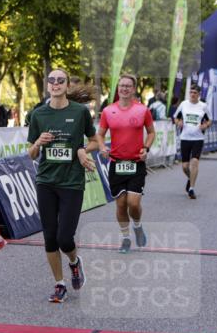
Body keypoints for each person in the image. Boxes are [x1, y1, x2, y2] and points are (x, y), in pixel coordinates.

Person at [27, 69, 99, 303]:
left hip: (71, 182)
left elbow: (96, 142)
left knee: (65, 238)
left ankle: (74, 262)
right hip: (46, 181)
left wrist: (82, 150)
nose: (55, 84)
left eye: (60, 80)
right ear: (47, 86)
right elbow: (31, 154)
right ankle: (59, 284)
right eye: (52, 80)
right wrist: (38, 142)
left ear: (67, 85)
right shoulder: (38, 115)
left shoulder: (79, 113)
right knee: (50, 237)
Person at [98, 73, 155, 253]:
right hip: (116, 163)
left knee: (133, 203)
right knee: (121, 204)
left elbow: (152, 132)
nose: (124, 89)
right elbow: (99, 134)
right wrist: (101, 147)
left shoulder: (142, 110)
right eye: (121, 85)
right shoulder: (108, 111)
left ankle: (137, 226)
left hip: (136, 163)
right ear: (118, 88)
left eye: (128, 86)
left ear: (133, 89)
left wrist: (146, 148)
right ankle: (125, 238)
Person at [173, 84, 210, 199]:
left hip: (198, 139)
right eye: (191, 92)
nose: (192, 94)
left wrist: (205, 126)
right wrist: (178, 122)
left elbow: (210, 120)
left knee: (194, 162)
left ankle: (192, 189)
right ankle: (191, 178)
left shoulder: (203, 106)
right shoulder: (184, 104)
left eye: (195, 93)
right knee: (185, 166)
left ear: (199, 94)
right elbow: (176, 117)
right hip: (185, 138)